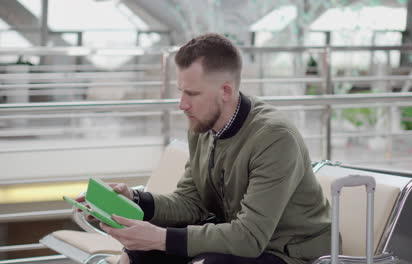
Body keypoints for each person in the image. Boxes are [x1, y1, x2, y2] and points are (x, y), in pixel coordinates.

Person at [79, 33, 332, 264]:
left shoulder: (275, 138)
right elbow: (190, 204)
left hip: (291, 252)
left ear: (226, 91)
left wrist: (160, 237)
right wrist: (136, 201)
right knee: (138, 254)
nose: (182, 105)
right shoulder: (202, 127)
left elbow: (250, 237)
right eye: (181, 92)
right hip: (238, 240)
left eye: (192, 93)